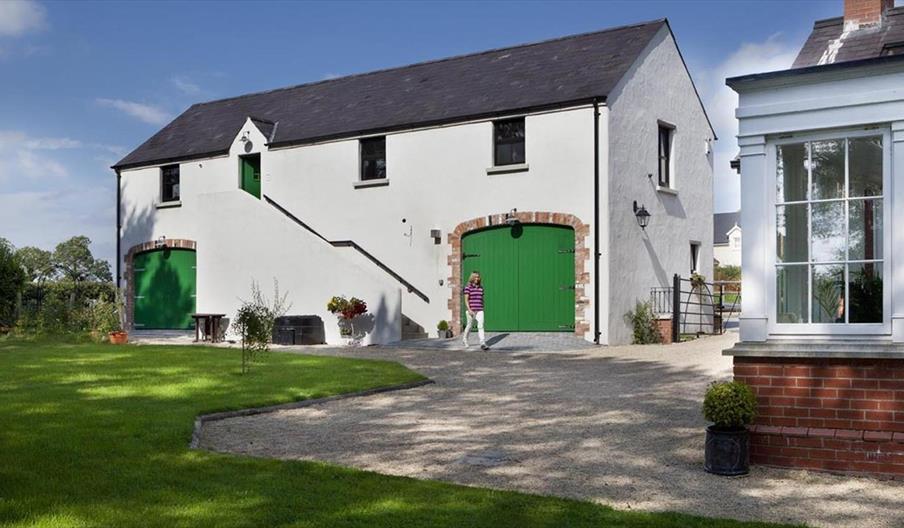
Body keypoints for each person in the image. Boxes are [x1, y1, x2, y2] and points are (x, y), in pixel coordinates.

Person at [462, 271, 488, 350]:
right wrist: (469, 309)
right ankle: (465, 339)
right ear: (472, 278)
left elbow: (481, 298)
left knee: (480, 326)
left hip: (480, 310)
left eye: (478, 277)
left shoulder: (481, 288)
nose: (477, 278)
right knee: (469, 326)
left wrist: (482, 306)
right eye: (475, 277)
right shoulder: (468, 287)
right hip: (471, 310)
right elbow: (466, 300)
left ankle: (482, 343)